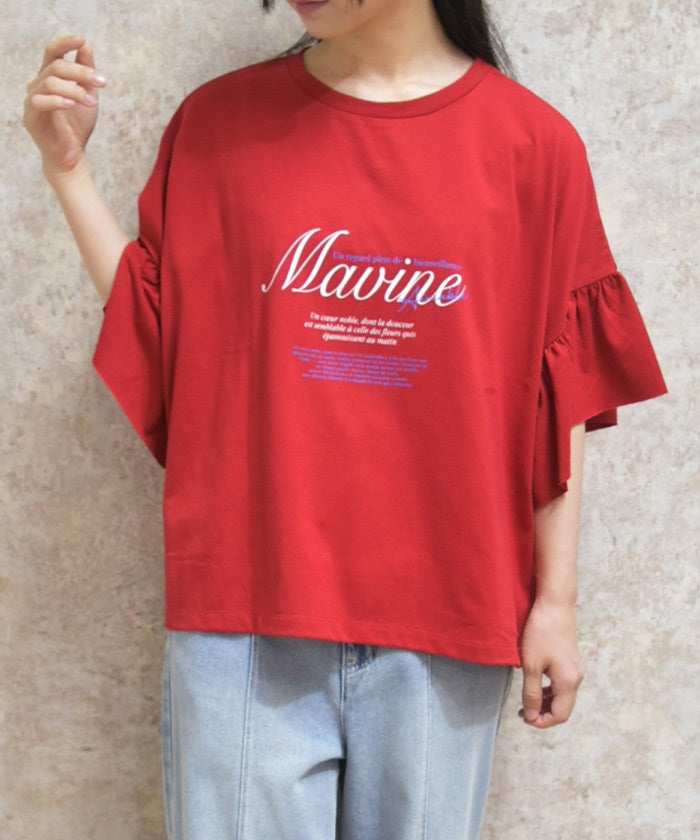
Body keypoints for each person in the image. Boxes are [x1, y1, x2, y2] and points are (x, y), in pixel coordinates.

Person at [23, 1, 667, 838]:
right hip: (244, 615)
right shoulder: (219, 127)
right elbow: (165, 337)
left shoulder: (533, 148)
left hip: (447, 617)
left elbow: (559, 394)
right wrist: (68, 171)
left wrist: (557, 602)